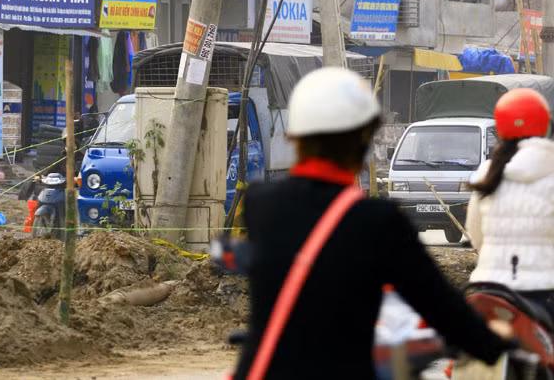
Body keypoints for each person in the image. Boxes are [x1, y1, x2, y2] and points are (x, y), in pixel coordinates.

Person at [233, 66, 514, 380]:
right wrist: (491, 342)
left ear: (294, 138)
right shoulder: (379, 221)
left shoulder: (259, 203)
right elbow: (442, 307)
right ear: (365, 141)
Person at [466, 87, 554, 318]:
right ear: (546, 125)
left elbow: (476, 235)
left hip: (490, 289)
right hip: (544, 291)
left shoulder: (487, 171)